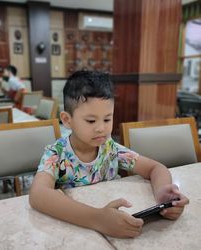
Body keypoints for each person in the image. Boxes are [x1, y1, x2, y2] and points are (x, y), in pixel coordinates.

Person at [29, 71, 189, 238]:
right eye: (91, 121)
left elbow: (155, 168)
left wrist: (162, 192)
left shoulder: (110, 148)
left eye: (107, 119)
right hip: (75, 231)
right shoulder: (56, 153)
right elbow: (38, 194)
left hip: (114, 223)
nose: (101, 128)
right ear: (67, 120)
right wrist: (97, 219)